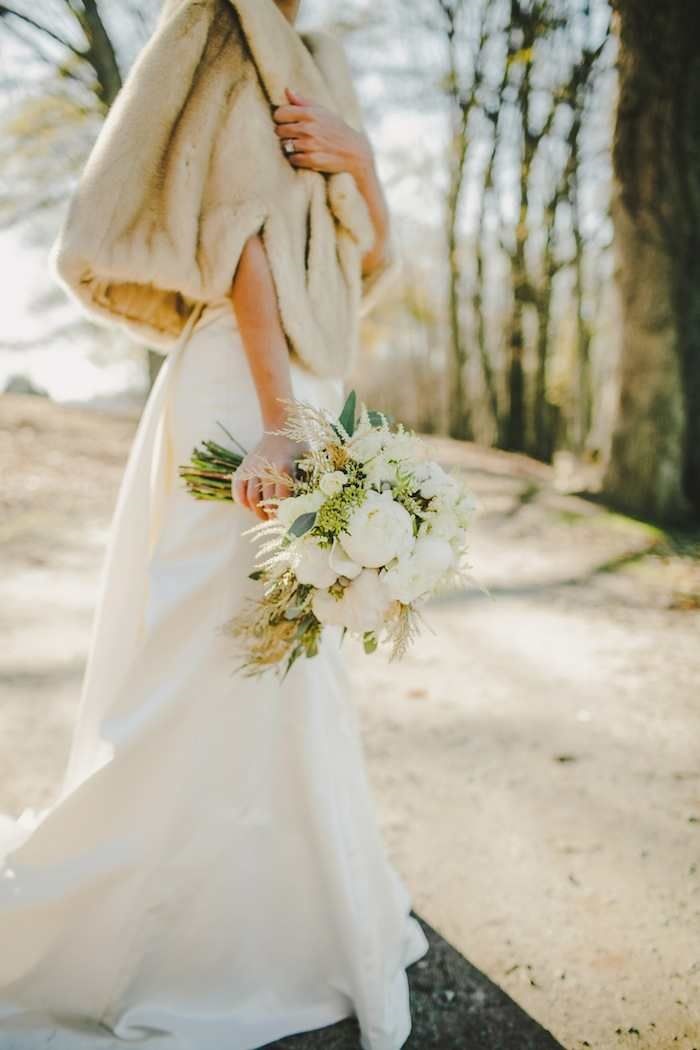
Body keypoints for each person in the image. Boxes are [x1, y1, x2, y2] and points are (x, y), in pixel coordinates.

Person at [0, 2, 429, 1049]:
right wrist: (280, 422)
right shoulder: (228, 29)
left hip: (304, 380)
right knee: (213, 642)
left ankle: (276, 909)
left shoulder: (318, 55)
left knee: (288, 654)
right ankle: (175, 931)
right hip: (250, 384)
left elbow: (361, 260)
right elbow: (240, 223)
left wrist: (364, 164)